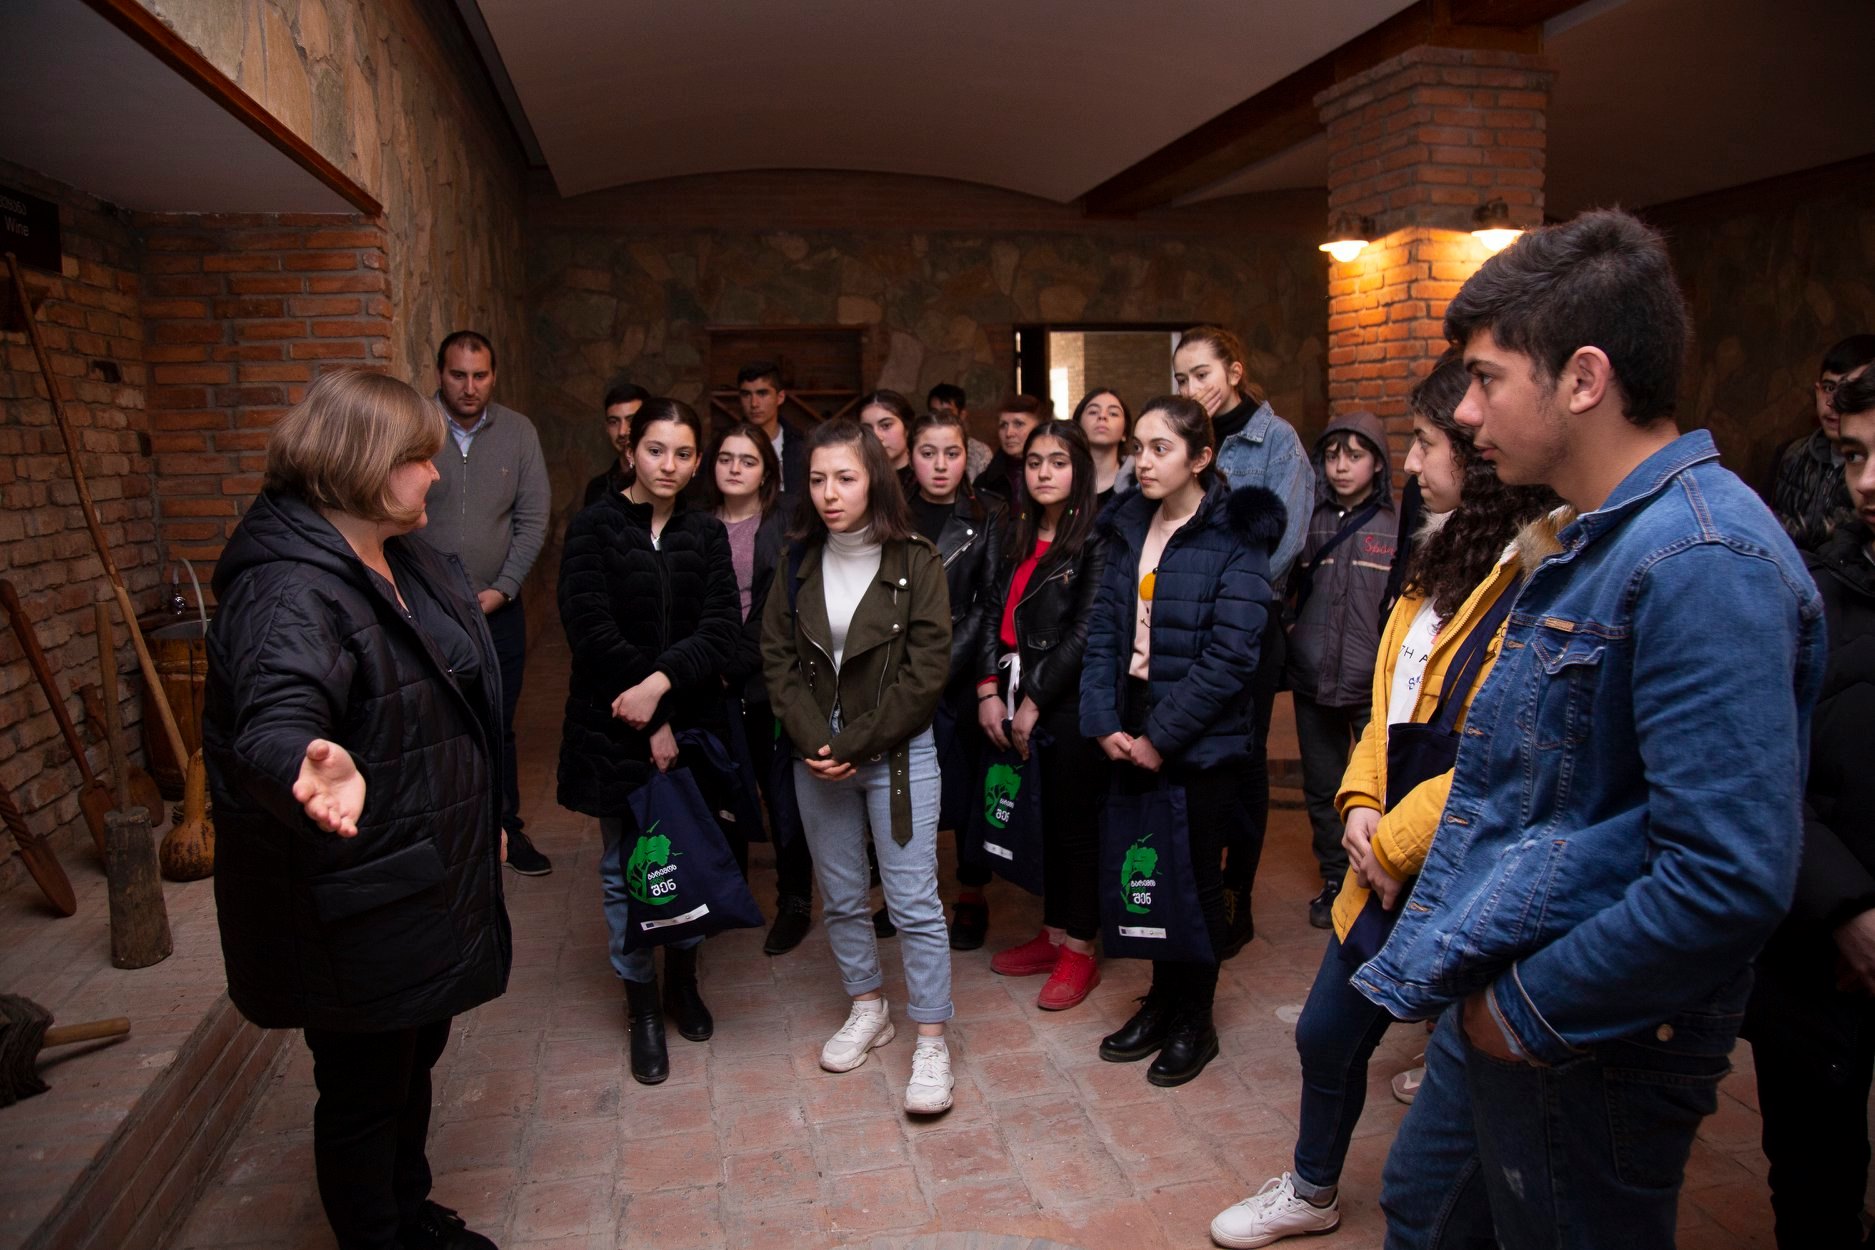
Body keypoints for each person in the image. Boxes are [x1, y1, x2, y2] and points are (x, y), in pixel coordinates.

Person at [1358, 210, 1826, 1250]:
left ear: (1582, 379)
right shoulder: (1590, 535)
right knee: (1423, 1217)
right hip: (1505, 976)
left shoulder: (1703, 561)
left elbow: (1726, 874)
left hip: (1580, 1031)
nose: (1466, 412)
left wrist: (1524, 1009)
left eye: (1486, 379)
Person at [1209, 352, 1558, 1249]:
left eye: (1427, 444)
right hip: (1384, 853)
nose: (1410, 462)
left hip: (1454, 863)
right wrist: (1360, 801)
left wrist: (1392, 842)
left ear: (1476, 457)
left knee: (1477, 1068)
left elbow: (1500, 748)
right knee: (1327, 1035)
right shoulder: (1435, 552)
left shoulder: (1534, 574)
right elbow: (1386, 703)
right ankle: (1310, 1190)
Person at [204, 369, 510, 1250]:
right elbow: (274, 719)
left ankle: (406, 1213)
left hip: (417, 874)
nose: (436, 474)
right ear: (365, 464)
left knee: (411, 1061)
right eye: (419, 458)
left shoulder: (399, 553)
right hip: (357, 893)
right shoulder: (288, 591)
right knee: (367, 1089)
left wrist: (484, 811)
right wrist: (308, 766)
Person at [1080, 395, 1282, 1087]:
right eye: (1138, 447)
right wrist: (1103, 720)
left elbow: (1232, 657)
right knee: (1148, 872)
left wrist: (1160, 738)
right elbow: (1103, 632)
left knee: (1194, 880)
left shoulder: (1235, 537)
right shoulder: (1127, 525)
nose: (1143, 461)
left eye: (1160, 448)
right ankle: (1161, 1003)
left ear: (1201, 458)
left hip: (1199, 736)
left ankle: (1196, 1019)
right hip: (1130, 717)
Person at [761, 418, 957, 1114]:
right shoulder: (796, 561)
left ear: (874, 478)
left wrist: (849, 747)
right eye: (817, 479)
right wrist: (820, 743)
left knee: (912, 902)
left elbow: (925, 675)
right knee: (842, 895)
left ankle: (931, 1039)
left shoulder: (917, 561)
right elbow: (777, 659)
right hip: (817, 750)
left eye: (844, 477)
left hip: (898, 752)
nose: (829, 493)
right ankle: (868, 1006)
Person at [557, 399, 741, 1086]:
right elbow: (589, 627)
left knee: (686, 857)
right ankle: (640, 1006)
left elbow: (721, 629)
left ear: (697, 463)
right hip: (614, 726)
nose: (669, 465)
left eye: (683, 454)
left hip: (691, 725)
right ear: (630, 449)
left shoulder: (705, 533)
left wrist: (660, 686)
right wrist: (650, 715)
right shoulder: (593, 528)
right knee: (624, 869)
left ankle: (682, 985)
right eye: (656, 449)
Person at [1743, 369, 1875, 1249]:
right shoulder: (1811, 599)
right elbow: (1759, 771)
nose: (1865, 482)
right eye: (1853, 456)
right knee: (1814, 1184)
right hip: (1813, 959)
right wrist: (1847, 911)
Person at [1173, 326, 1313, 955]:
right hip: (1186, 627)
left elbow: (1283, 545)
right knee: (1194, 753)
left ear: (1233, 371)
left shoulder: (1277, 440)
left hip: (1248, 626)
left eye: (1201, 374)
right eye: (1181, 378)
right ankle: (1197, 888)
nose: (1191, 388)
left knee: (1244, 759)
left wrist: (1219, 592)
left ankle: (1237, 895)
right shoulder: (1184, 437)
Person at [977, 420, 1109, 1008]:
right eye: (1034, 463)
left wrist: (1033, 700)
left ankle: (1080, 950)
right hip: (1010, 691)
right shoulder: (1016, 532)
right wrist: (986, 689)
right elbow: (990, 612)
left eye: (1058, 462)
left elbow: (1084, 632)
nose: (1044, 473)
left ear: (1079, 469)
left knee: (1075, 829)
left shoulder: (1097, 540)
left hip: (1067, 702)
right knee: (1044, 823)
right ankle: (1053, 935)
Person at [422, 329, 553, 877]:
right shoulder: (416, 427)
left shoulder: (518, 432)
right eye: (458, 375)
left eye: (480, 375)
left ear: (493, 376)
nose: (470, 387)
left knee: (497, 723)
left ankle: (504, 828)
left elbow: (533, 519)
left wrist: (503, 587)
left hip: (498, 610)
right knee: (432, 724)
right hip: (425, 612)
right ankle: (445, 837)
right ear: (440, 374)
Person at [706, 420, 818, 955]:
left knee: (783, 800)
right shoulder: (696, 523)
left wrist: (728, 665)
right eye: (726, 458)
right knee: (721, 793)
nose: (735, 469)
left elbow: (783, 611)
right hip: (708, 682)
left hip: (766, 683)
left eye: (747, 461)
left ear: (767, 472)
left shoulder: (786, 527)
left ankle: (795, 902)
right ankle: (729, 895)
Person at [1286, 411, 1396, 929]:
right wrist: (1292, 634)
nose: (1342, 466)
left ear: (1378, 462)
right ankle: (1335, 878)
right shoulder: (1308, 519)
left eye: (1355, 455)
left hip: (1371, 683)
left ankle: (1376, 875)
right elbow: (1286, 583)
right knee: (1322, 786)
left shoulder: (1397, 525)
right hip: (1311, 676)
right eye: (1332, 456)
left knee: (1378, 788)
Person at [905, 410, 1005, 951]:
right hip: (898, 669)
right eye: (928, 453)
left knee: (966, 790)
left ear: (969, 457)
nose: (940, 465)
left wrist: (939, 667)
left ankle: (971, 893)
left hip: (961, 673)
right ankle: (909, 895)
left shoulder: (989, 513)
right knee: (903, 789)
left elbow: (990, 602)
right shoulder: (890, 509)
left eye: (952, 453)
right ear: (911, 456)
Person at [1769, 334, 1875, 551]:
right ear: (1817, 391)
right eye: (1829, 388)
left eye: (1851, 389)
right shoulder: (1790, 454)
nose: (1833, 402)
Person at [740, 360, 809, 500]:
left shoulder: (802, 446)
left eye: (762, 393)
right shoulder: (724, 446)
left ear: (780, 397)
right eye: (746, 394)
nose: (754, 403)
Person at [583, 380, 650, 507]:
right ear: (606, 428)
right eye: (614, 422)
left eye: (631, 420)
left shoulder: (665, 481)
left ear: (650, 423)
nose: (622, 432)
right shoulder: (597, 489)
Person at [974, 395, 1045, 510]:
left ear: (1039, 428)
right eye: (1003, 425)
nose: (1009, 433)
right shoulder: (985, 483)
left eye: (1018, 424)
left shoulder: (1053, 475)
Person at [1075, 387, 1135, 508]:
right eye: (1093, 412)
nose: (1102, 416)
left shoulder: (1138, 483)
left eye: (1113, 413)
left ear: (1124, 433)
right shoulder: (1062, 480)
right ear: (1078, 426)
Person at [927, 382, 994, 482]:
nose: (940, 419)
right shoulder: (922, 450)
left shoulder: (981, 453)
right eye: (934, 413)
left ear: (962, 415)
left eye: (947, 413)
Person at [857, 388, 918, 482]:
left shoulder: (924, 479)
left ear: (907, 427)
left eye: (886, 425)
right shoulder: (859, 480)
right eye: (868, 429)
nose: (877, 436)